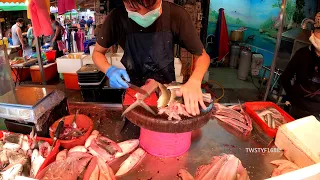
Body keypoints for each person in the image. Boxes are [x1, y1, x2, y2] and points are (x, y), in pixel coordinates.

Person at [93, 0, 210, 116]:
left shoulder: (177, 15)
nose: (142, 14)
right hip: (135, 91)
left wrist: (194, 81)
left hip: (165, 93)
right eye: (134, 9)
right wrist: (110, 70)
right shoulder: (117, 18)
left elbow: (202, 56)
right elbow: (97, 53)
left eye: (149, 8)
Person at [281, 12, 320, 120]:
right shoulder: (302, 54)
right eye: (319, 32)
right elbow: (285, 78)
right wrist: (293, 97)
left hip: (317, 115)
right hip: (296, 110)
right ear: (312, 32)